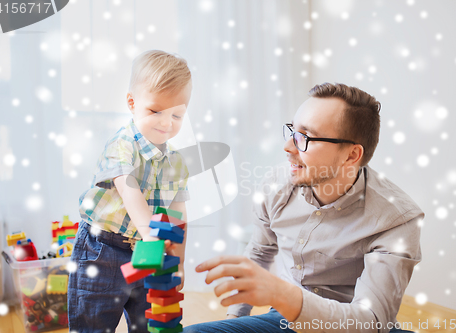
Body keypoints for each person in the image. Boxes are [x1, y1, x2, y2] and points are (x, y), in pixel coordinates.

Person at [185, 83, 423, 333]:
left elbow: (371, 321)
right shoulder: (277, 185)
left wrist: (283, 294)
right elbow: (260, 251)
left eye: (305, 137)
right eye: (292, 131)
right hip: (284, 319)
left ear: (351, 155)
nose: (288, 147)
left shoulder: (397, 219)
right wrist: (235, 319)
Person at [68, 50, 192, 333]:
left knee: (150, 323)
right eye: (155, 111)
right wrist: (150, 232)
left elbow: (178, 214)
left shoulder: (176, 162)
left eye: (177, 115)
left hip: (148, 253)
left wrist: (179, 262)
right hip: (102, 249)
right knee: (94, 322)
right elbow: (128, 187)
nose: (166, 122)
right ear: (132, 103)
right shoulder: (122, 144)